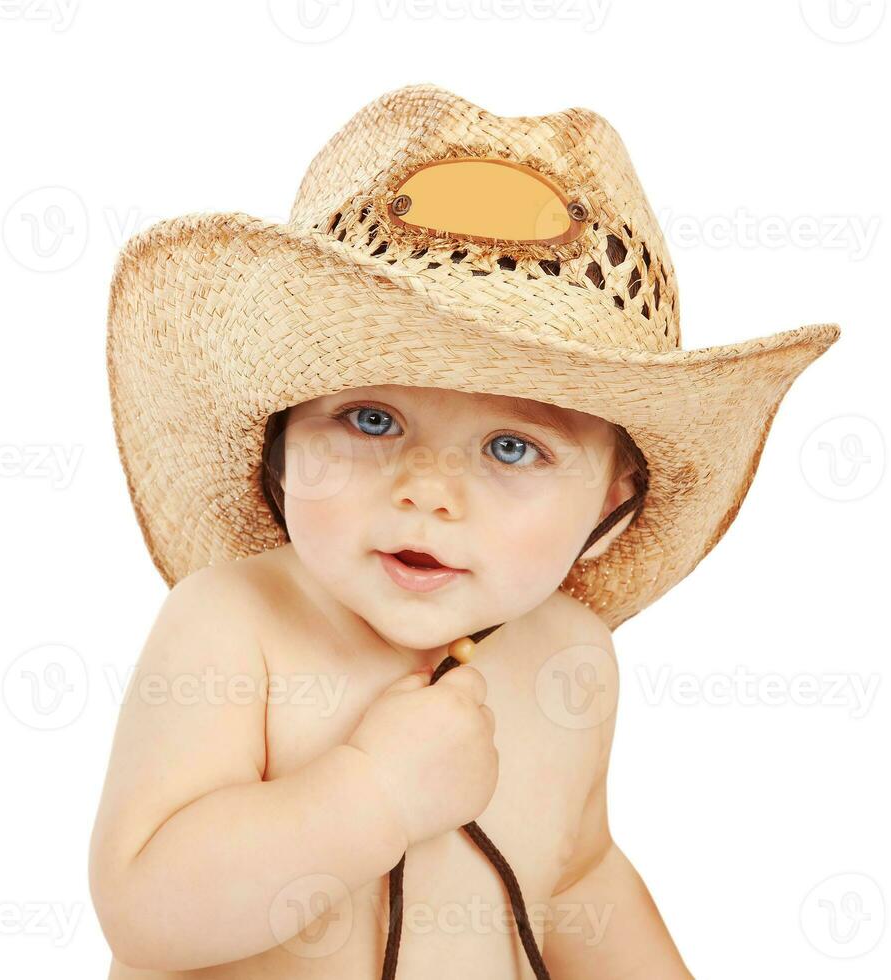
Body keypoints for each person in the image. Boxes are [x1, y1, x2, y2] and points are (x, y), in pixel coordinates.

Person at [90, 83, 840, 978]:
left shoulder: (572, 654)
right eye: (371, 421)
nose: (429, 494)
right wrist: (369, 794)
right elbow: (146, 912)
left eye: (513, 448)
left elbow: (579, 880)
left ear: (611, 502)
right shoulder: (232, 626)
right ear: (280, 439)